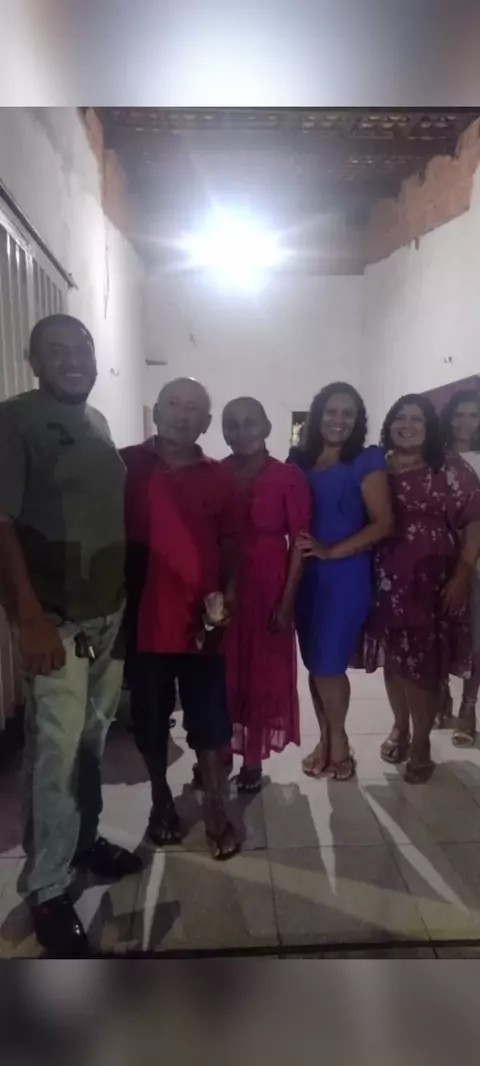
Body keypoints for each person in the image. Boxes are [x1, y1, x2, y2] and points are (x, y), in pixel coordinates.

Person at [0, 314, 141, 958]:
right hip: (55, 618)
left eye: (80, 347)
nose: (72, 359)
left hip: (104, 614)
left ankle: (83, 843)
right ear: (34, 363)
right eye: (54, 351)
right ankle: (48, 887)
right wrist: (28, 616)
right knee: (54, 752)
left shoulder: (98, 423)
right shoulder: (15, 421)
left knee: (91, 739)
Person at [122, 378, 239, 861]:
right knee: (149, 721)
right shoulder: (124, 465)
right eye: (173, 403)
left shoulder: (219, 476)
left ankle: (215, 807)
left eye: (193, 408)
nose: (181, 414)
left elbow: (231, 541)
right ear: (156, 411)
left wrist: (229, 596)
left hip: (201, 622)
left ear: (206, 423)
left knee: (210, 720)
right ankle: (161, 800)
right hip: (142, 619)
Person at [363, 394, 480, 783]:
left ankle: (421, 741)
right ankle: (400, 727)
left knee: (422, 668)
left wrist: (462, 574)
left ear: (430, 428)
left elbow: (474, 521)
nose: (408, 425)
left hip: (433, 582)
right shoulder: (378, 465)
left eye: (418, 419)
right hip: (384, 579)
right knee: (394, 660)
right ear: (390, 424)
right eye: (401, 417)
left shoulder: (449, 466)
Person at [292, 383, 393, 781]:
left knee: (330, 664)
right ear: (317, 415)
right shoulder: (299, 460)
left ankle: (338, 740)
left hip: (344, 576)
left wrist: (332, 551)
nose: (339, 420)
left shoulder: (365, 459)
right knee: (315, 663)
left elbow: (384, 523)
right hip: (305, 576)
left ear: (358, 420)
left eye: (348, 413)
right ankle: (325, 737)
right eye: (331, 411)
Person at [221, 396, 311, 792]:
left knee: (261, 674)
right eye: (232, 424)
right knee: (221, 673)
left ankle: (252, 759)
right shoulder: (216, 473)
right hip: (223, 586)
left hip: (269, 586)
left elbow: (300, 543)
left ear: (268, 427)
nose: (241, 432)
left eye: (250, 422)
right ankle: (220, 749)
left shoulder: (288, 477)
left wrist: (287, 601)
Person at [437, 389, 480, 744]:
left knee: (476, 636)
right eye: (459, 415)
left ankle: (469, 706)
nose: (465, 422)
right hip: (437, 557)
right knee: (438, 632)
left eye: (473, 415)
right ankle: (441, 696)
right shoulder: (435, 459)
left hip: (476, 561)